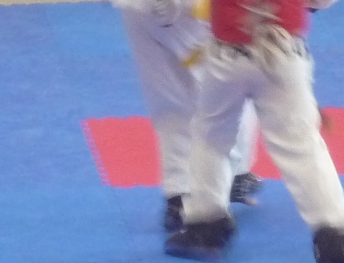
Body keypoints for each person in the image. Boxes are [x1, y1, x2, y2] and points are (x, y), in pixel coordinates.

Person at [165, 0, 344, 263]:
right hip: (284, 54)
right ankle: (339, 234)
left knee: (210, 136)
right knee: (302, 148)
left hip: (227, 56)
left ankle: (206, 224)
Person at [111, 0, 261, 232]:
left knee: (168, 101)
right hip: (192, 9)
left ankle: (179, 196)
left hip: (138, 8)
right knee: (226, 91)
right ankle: (231, 176)